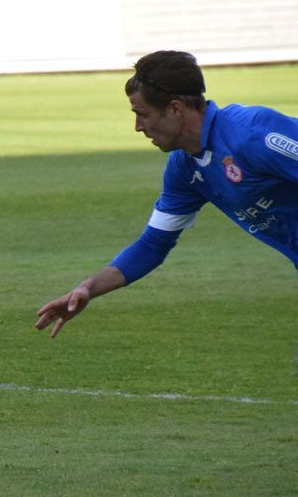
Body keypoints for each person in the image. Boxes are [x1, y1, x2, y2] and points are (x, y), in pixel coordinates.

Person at [36, 50, 297, 338]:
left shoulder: (251, 135)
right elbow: (153, 245)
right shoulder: (185, 167)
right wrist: (88, 287)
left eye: (142, 114)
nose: (138, 127)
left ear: (175, 109)